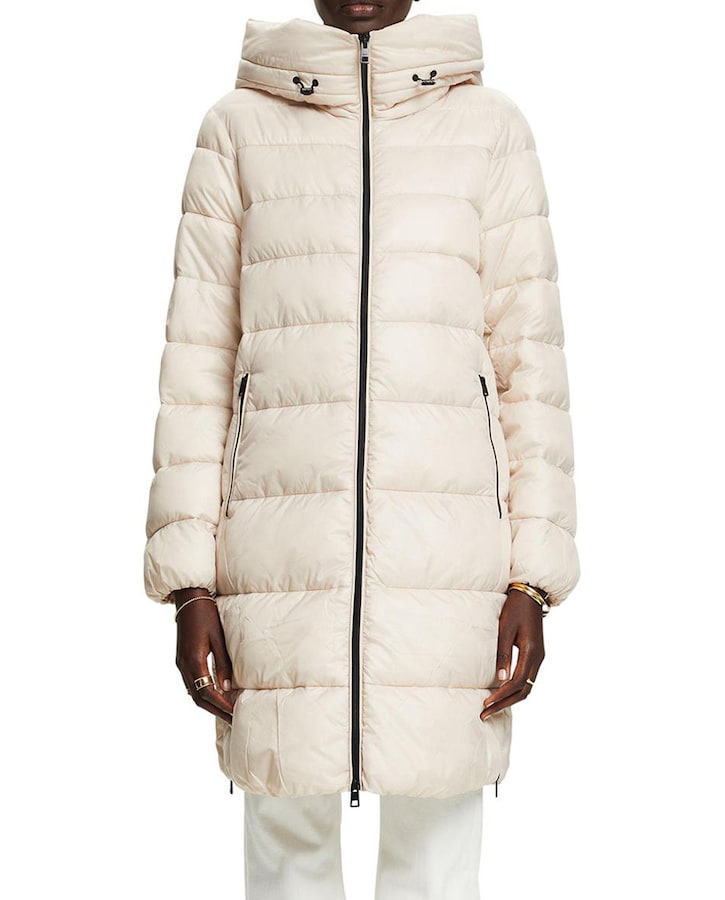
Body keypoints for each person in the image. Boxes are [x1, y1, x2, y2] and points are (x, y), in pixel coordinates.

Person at [143, 1, 580, 897]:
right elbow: (197, 365)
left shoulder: (489, 128)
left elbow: (530, 369)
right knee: (286, 840)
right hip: (275, 557)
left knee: (436, 847)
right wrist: (188, 584)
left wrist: (533, 579)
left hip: (448, 557)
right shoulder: (238, 128)